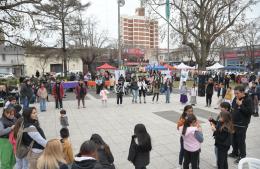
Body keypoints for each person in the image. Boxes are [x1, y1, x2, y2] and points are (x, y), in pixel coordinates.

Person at [229, 85, 253, 163]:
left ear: (243, 92)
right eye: (235, 93)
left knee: (240, 141)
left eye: (237, 93)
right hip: (234, 123)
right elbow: (232, 108)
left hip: (242, 124)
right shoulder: (235, 98)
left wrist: (240, 105)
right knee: (233, 139)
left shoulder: (248, 100)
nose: (236, 95)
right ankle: (235, 152)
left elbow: (249, 112)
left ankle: (242, 156)